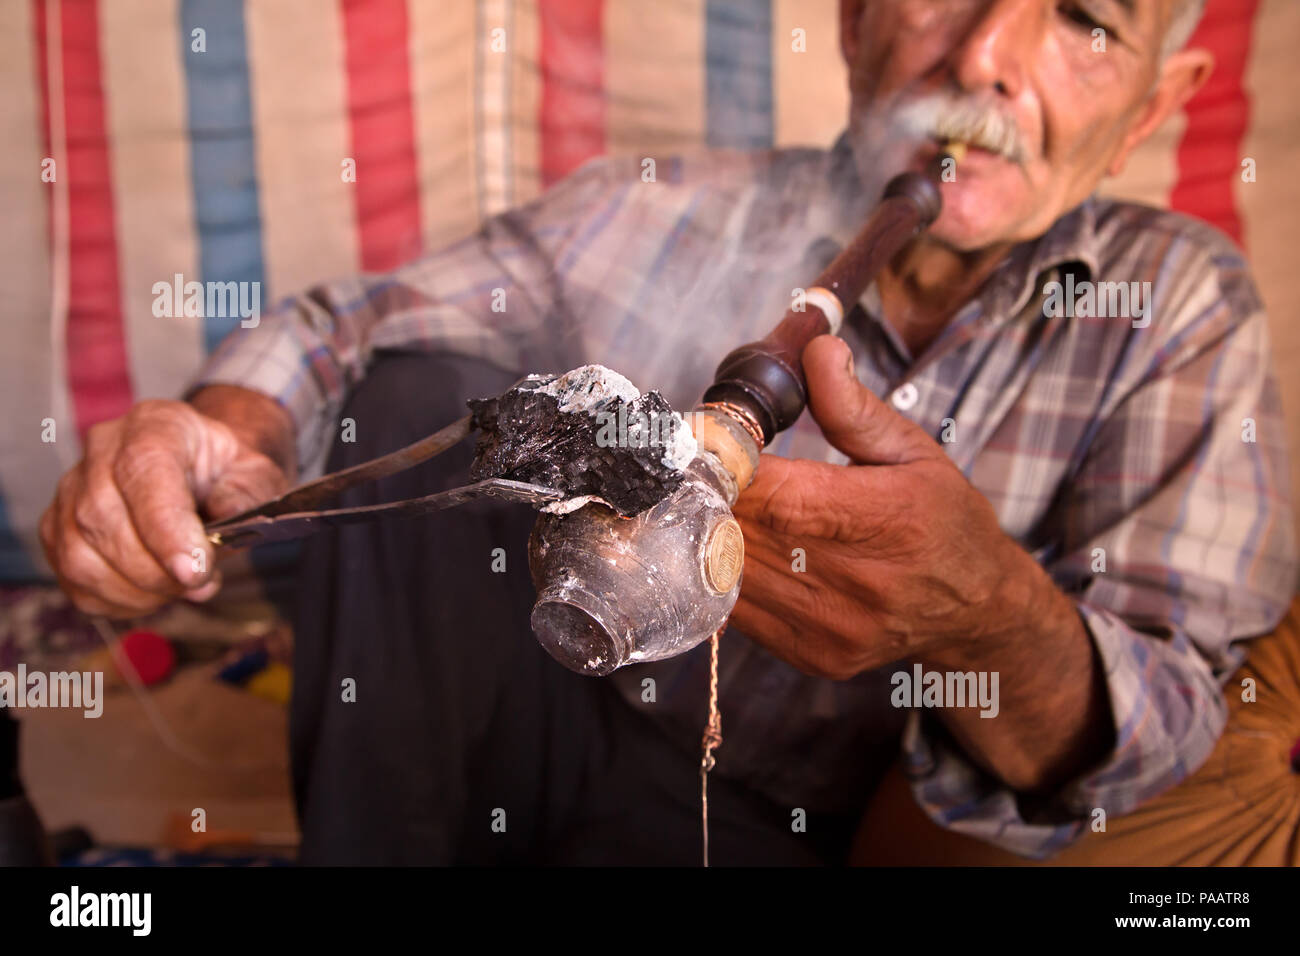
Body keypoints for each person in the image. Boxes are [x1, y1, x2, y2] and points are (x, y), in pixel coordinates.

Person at [39, 0, 1296, 864]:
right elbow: (343, 325)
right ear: (857, 16)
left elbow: (1170, 725)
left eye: (1085, 18)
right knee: (420, 386)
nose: (985, 60)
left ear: (1149, 106)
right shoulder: (673, 206)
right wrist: (212, 429)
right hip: (517, 712)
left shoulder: (1174, 308)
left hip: (782, 825)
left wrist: (986, 614)